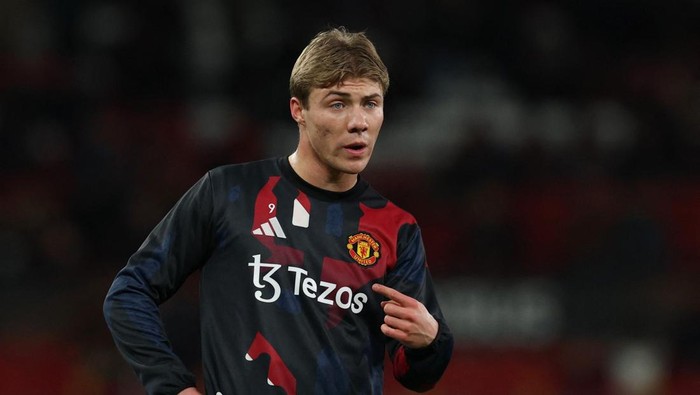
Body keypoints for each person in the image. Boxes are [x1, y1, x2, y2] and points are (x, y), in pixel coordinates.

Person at [103, 26, 453, 395]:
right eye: (338, 103)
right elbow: (129, 292)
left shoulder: (396, 229)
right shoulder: (229, 193)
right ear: (298, 110)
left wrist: (429, 342)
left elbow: (415, 374)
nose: (358, 122)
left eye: (370, 103)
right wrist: (173, 387)